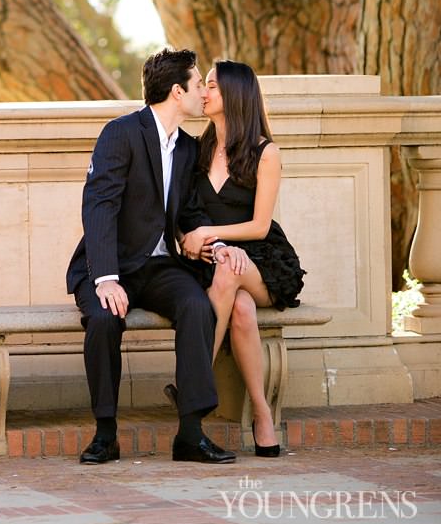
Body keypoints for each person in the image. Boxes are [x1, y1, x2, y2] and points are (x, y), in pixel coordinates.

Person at [66, 47, 248, 465]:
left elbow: (188, 212)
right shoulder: (121, 133)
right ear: (176, 91)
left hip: (160, 266)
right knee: (103, 319)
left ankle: (190, 434)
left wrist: (216, 245)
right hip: (109, 265)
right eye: (199, 84)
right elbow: (99, 205)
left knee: (196, 306)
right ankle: (105, 433)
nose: (204, 92)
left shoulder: (186, 148)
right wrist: (106, 278)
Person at [180, 59, 305, 458]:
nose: (204, 92)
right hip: (213, 258)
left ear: (234, 94)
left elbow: (259, 225)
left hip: (262, 259)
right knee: (242, 312)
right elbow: (182, 214)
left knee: (230, 272)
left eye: (212, 86)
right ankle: (263, 416)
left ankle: (193, 386)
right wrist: (193, 240)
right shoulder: (195, 149)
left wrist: (216, 237)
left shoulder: (266, 152)